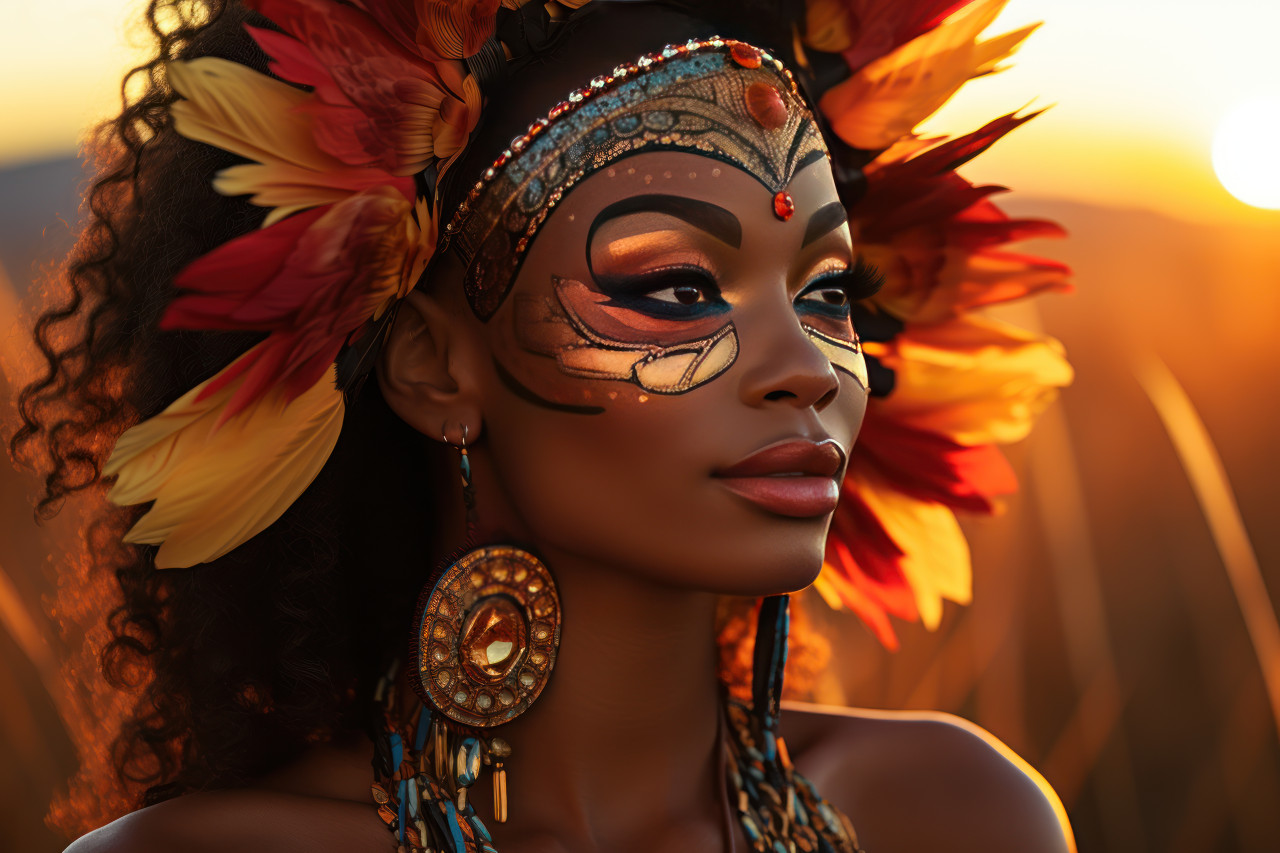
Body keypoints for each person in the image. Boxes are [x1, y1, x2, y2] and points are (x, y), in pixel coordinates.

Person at [12, 0, 1077, 850]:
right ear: (431, 367)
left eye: (827, 291)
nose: (806, 367)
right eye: (676, 288)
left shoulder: (957, 816)